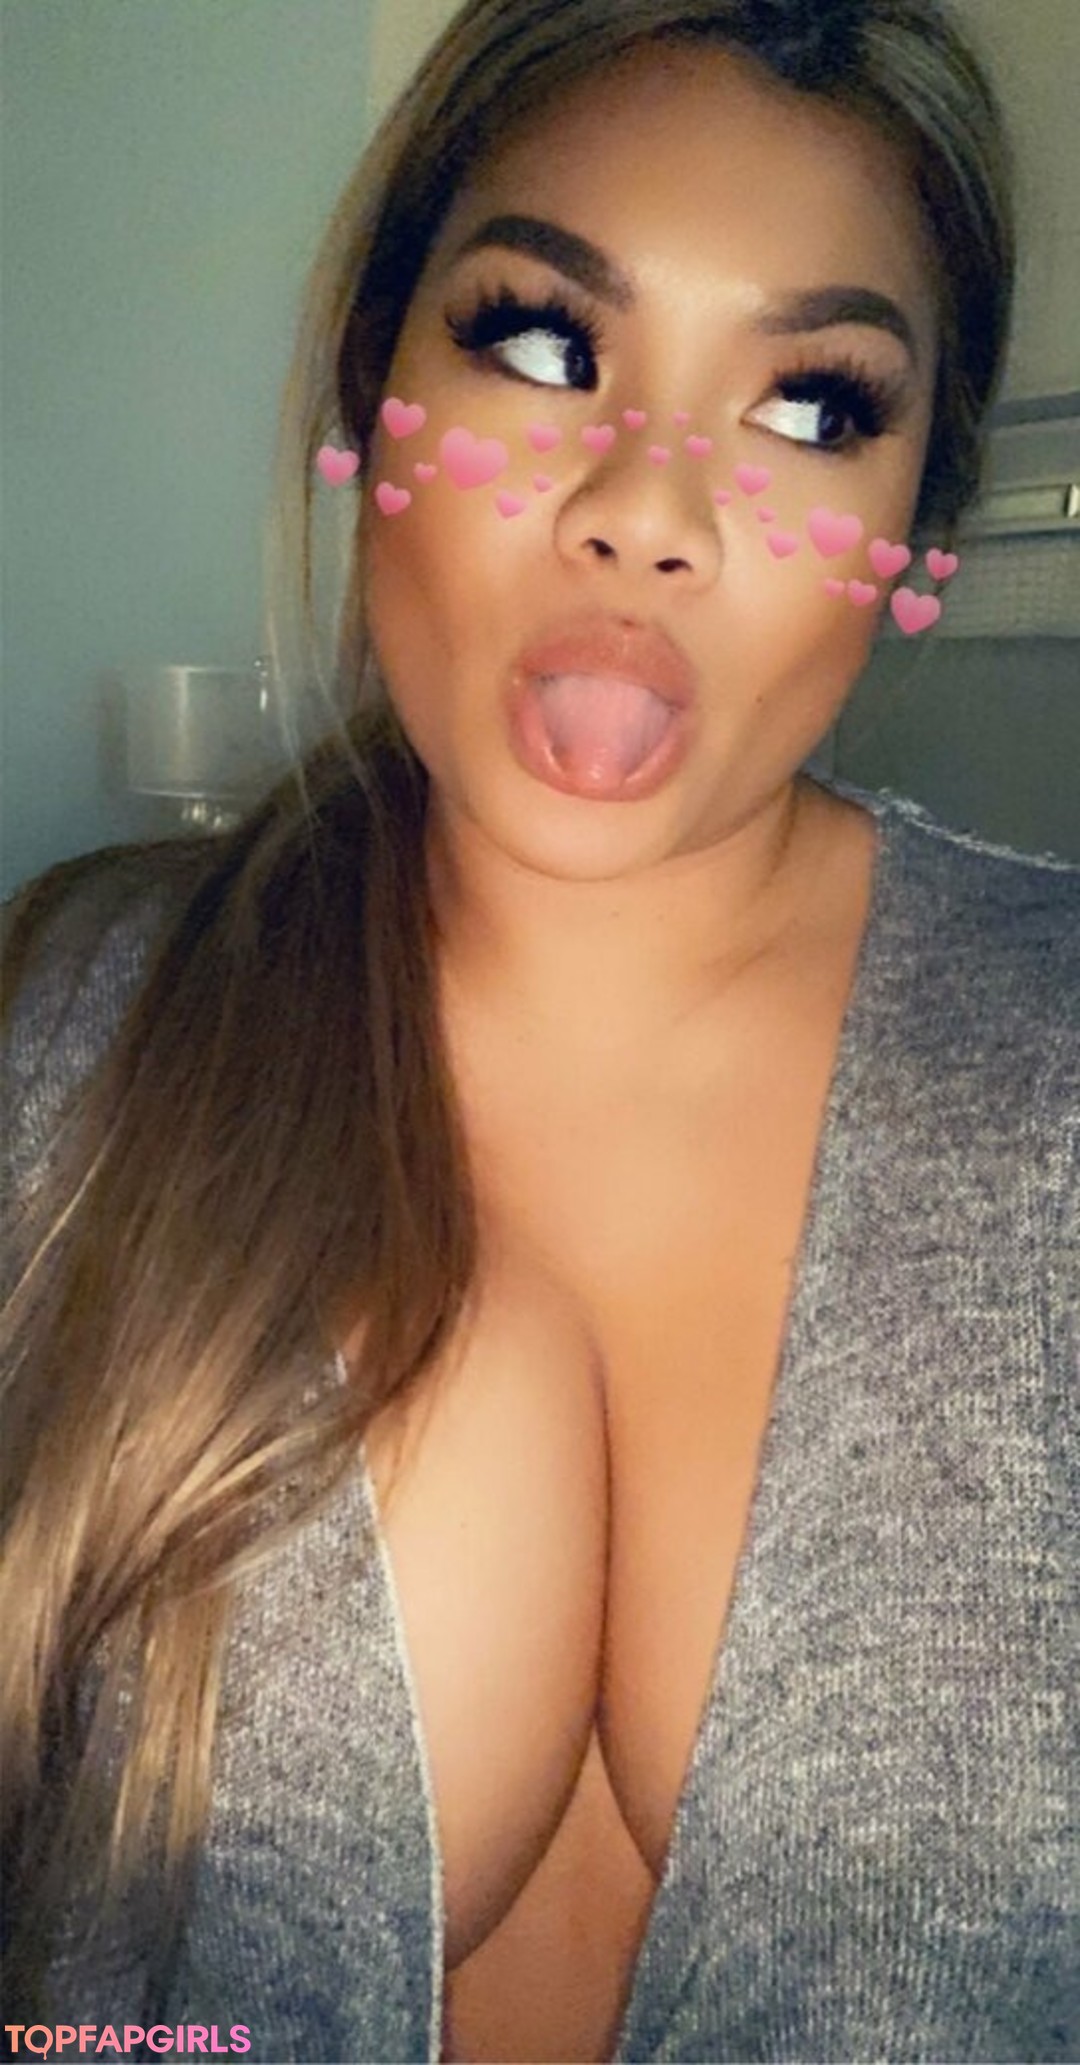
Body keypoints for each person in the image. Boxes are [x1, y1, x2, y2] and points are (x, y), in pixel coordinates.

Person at [2, 0, 1077, 2060]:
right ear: (371, 381)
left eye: (811, 404)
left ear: (917, 546)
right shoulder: (66, 1036)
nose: (644, 508)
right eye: (545, 343)